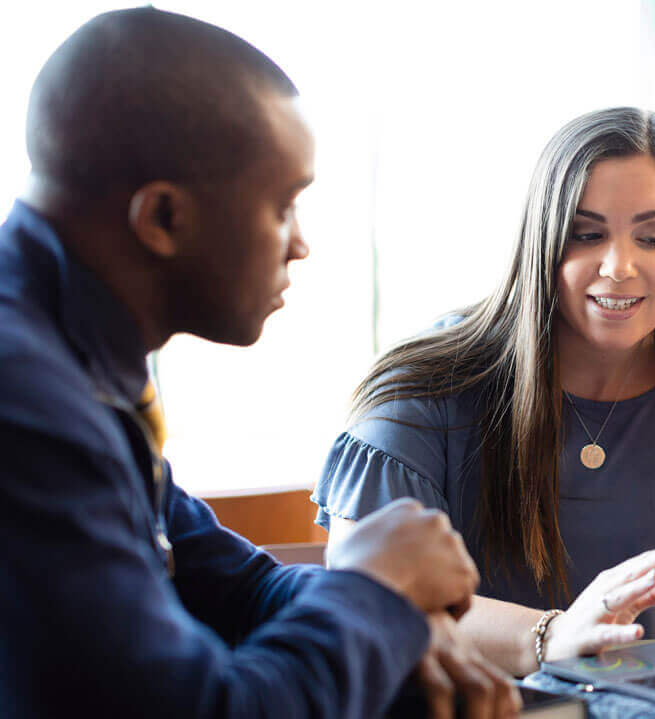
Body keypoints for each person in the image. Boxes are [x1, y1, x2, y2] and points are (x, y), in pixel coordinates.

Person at [0, 8, 519, 718]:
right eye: (283, 206)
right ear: (163, 219)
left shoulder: (77, 360)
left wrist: (392, 612)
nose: (300, 243)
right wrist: (377, 593)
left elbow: (241, 589)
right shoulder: (28, 403)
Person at [313, 107, 655, 676]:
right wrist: (555, 635)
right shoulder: (426, 383)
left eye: (653, 237)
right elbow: (369, 598)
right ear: (541, 242)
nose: (618, 266)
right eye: (586, 235)